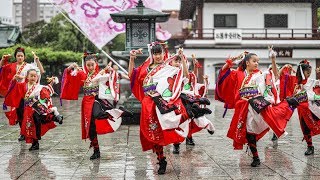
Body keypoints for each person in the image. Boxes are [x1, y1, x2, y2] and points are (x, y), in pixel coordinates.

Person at [215, 50, 295, 167]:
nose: (257, 63)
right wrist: (232, 60)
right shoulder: (238, 74)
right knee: (249, 132)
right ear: (247, 62)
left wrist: (273, 59)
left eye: (258, 61)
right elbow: (223, 72)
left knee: (268, 121)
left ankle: (289, 104)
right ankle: (256, 157)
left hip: (258, 106)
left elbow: (275, 76)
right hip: (244, 108)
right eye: (254, 61)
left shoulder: (261, 74)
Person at [129, 43, 194, 174]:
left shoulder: (168, 66)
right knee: (152, 130)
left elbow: (184, 75)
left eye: (160, 53)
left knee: (165, 128)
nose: (158, 56)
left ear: (163, 54)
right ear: (152, 55)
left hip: (162, 100)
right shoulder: (145, 68)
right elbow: (132, 76)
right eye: (155, 53)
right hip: (148, 102)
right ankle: (161, 159)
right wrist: (131, 59)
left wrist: (181, 58)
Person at [60, 53, 130, 160]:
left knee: (97, 114)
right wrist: (70, 67)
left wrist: (111, 71)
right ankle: (96, 150)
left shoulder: (100, 73)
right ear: (85, 65)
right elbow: (69, 76)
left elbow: (113, 77)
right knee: (91, 127)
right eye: (88, 65)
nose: (90, 67)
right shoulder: (82, 75)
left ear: (96, 64)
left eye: (92, 64)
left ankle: (118, 112)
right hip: (87, 103)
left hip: (97, 100)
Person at [4, 69, 62, 150]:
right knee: (30, 126)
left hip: (36, 106)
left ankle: (55, 117)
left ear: (37, 77)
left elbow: (47, 90)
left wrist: (52, 82)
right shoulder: (23, 85)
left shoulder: (39, 87)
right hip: (27, 109)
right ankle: (35, 143)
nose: (33, 77)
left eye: (35, 76)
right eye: (31, 76)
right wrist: (13, 80)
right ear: (27, 77)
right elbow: (14, 88)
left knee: (39, 120)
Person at [0, 47, 45, 141]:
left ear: (24, 57)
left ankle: (30, 132)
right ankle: (23, 132)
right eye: (18, 56)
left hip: (26, 92)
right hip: (15, 93)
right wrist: (3, 60)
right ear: (15, 56)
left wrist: (37, 61)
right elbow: (1, 69)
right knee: (19, 113)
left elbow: (41, 71)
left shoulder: (28, 66)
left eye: (21, 56)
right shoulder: (11, 66)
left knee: (27, 112)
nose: (20, 57)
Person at [292, 60, 320, 155]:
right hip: (301, 109)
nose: (309, 75)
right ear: (301, 71)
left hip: (311, 108)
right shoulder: (296, 82)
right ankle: (310, 146)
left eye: (310, 73)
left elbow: (317, 87)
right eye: (307, 73)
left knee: (315, 124)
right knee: (305, 128)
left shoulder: (311, 81)